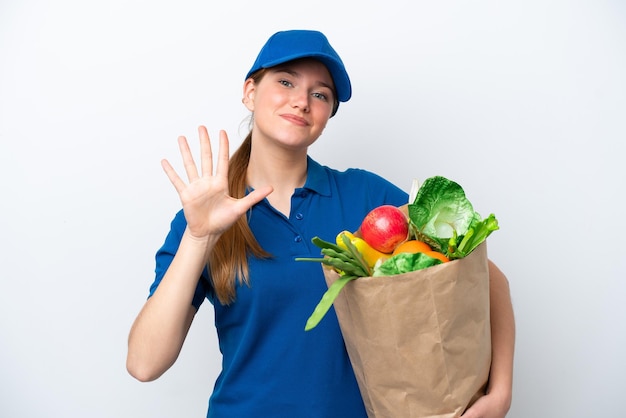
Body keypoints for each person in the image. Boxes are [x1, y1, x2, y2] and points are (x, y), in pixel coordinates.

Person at [126, 29, 515, 418]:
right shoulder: (203, 216)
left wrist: (499, 393)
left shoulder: (366, 196)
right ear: (249, 92)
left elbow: (484, 274)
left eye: (320, 93)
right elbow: (145, 364)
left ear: (327, 114)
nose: (301, 101)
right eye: (285, 81)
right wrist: (199, 237)